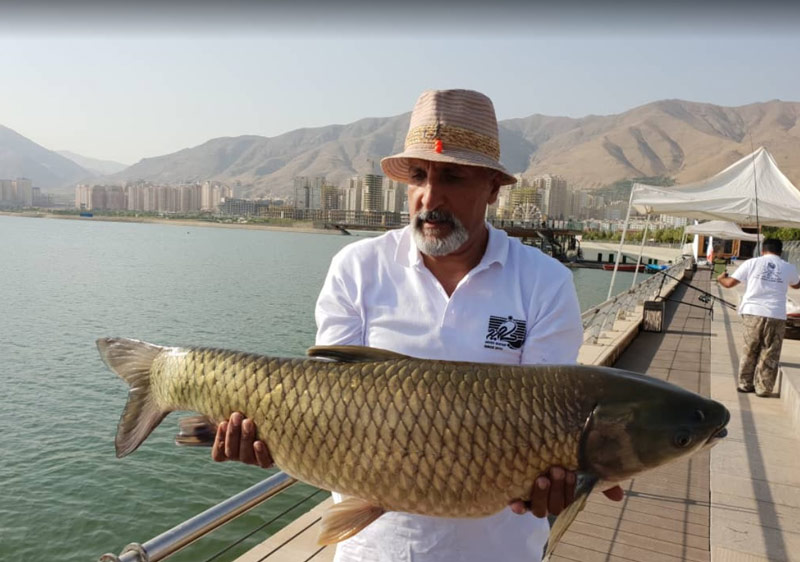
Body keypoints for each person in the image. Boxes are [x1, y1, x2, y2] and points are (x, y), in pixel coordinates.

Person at [212, 89, 623, 561]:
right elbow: (326, 404)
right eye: (419, 176)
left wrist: (576, 477)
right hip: (371, 551)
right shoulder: (357, 267)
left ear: (492, 187)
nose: (430, 196)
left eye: (453, 176)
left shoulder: (544, 281)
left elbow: (550, 417)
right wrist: (273, 440)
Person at [718, 238, 800, 396]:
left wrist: (721, 278)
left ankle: (745, 384)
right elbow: (797, 284)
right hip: (776, 314)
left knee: (750, 349)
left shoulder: (751, 263)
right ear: (781, 252)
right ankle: (763, 388)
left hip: (753, 312)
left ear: (763, 250)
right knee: (770, 351)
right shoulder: (787, 266)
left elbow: (729, 284)